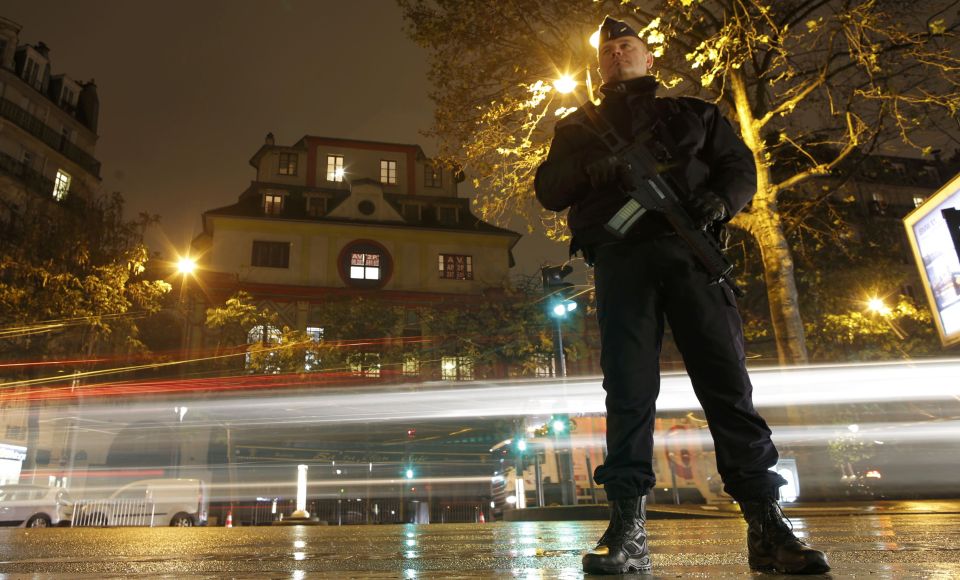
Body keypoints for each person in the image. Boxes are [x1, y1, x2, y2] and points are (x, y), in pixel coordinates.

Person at [534, 15, 830, 576]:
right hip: (622, 261)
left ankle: (766, 523)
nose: (618, 56)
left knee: (727, 386)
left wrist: (719, 204)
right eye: (609, 52)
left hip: (693, 256)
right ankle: (628, 528)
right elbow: (549, 188)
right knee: (628, 390)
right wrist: (591, 171)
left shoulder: (694, 114)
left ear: (649, 59)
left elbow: (739, 168)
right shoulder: (579, 126)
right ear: (601, 68)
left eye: (628, 47)